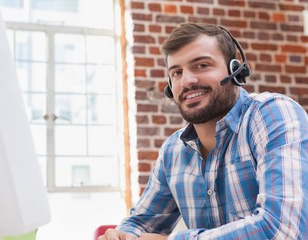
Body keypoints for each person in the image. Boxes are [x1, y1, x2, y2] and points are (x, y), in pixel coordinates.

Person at [98, 22, 308, 240]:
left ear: (235, 69)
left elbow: (283, 230)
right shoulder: (173, 151)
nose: (187, 81)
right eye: (177, 72)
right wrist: (122, 236)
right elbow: (141, 225)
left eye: (201, 65)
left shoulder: (272, 114)